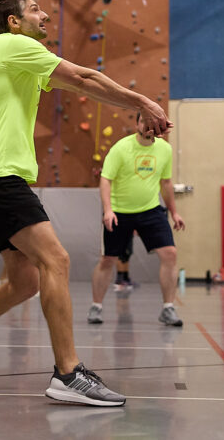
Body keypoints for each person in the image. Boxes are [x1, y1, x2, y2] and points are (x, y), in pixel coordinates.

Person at [0, 0, 171, 407]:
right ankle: (68, 373)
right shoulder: (11, 45)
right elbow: (85, 77)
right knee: (56, 260)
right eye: (35, 9)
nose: (46, 15)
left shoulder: (18, 60)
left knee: (25, 281)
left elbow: (82, 85)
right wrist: (143, 101)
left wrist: (133, 106)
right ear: (13, 21)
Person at [87, 112, 186, 327]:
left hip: (150, 210)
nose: (148, 125)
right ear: (137, 124)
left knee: (170, 253)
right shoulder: (121, 148)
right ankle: (96, 306)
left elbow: (166, 183)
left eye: (152, 122)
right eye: (144, 121)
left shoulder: (165, 149)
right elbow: (105, 180)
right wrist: (108, 210)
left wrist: (174, 212)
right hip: (119, 211)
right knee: (108, 259)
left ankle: (168, 308)